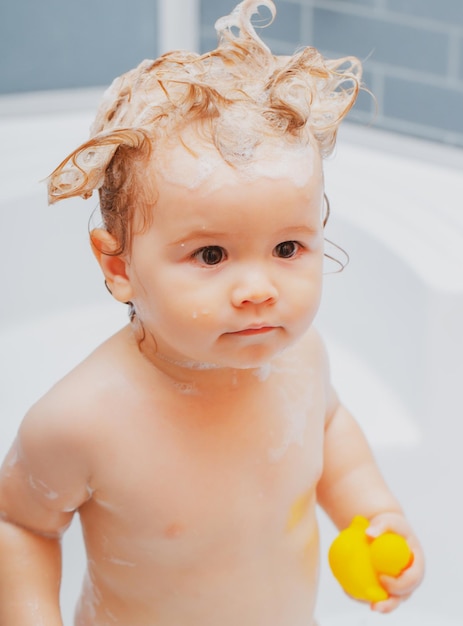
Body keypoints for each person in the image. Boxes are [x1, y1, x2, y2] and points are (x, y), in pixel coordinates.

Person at [0, 1, 424, 624]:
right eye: (211, 253)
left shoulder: (301, 359)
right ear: (118, 268)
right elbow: (20, 525)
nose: (257, 288)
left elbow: (329, 431)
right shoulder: (81, 421)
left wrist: (374, 512)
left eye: (287, 247)